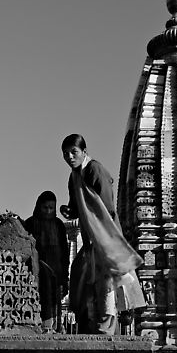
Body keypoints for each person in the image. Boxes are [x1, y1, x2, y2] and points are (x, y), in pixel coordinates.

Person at [60, 134, 145, 335]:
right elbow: (75, 205)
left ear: (84, 151)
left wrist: (107, 232)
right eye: (65, 154)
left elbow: (107, 204)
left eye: (74, 152)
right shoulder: (74, 177)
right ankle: (88, 321)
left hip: (105, 232)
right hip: (90, 235)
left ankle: (107, 326)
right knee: (81, 273)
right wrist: (69, 211)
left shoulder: (94, 169)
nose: (70, 157)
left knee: (107, 279)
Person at [24, 191, 69, 333]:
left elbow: (64, 251)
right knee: (37, 298)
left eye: (51, 208)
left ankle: (53, 328)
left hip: (56, 270)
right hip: (36, 270)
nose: (48, 211)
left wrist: (65, 275)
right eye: (45, 208)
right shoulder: (30, 223)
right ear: (39, 206)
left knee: (54, 300)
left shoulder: (59, 225)